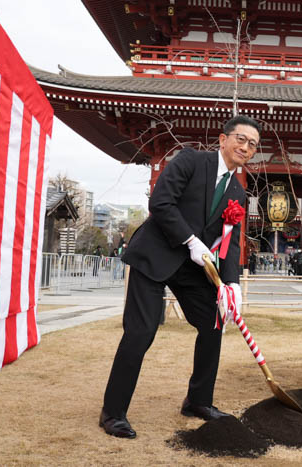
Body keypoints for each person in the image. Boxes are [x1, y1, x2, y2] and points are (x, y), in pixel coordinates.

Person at [99, 115, 259, 438]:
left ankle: (198, 401)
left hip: (191, 268)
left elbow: (229, 244)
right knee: (141, 332)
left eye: (252, 144)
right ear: (223, 139)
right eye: (240, 139)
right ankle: (112, 412)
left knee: (214, 321)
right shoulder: (190, 160)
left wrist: (232, 286)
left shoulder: (238, 194)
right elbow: (160, 202)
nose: (245, 147)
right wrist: (190, 240)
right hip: (156, 254)